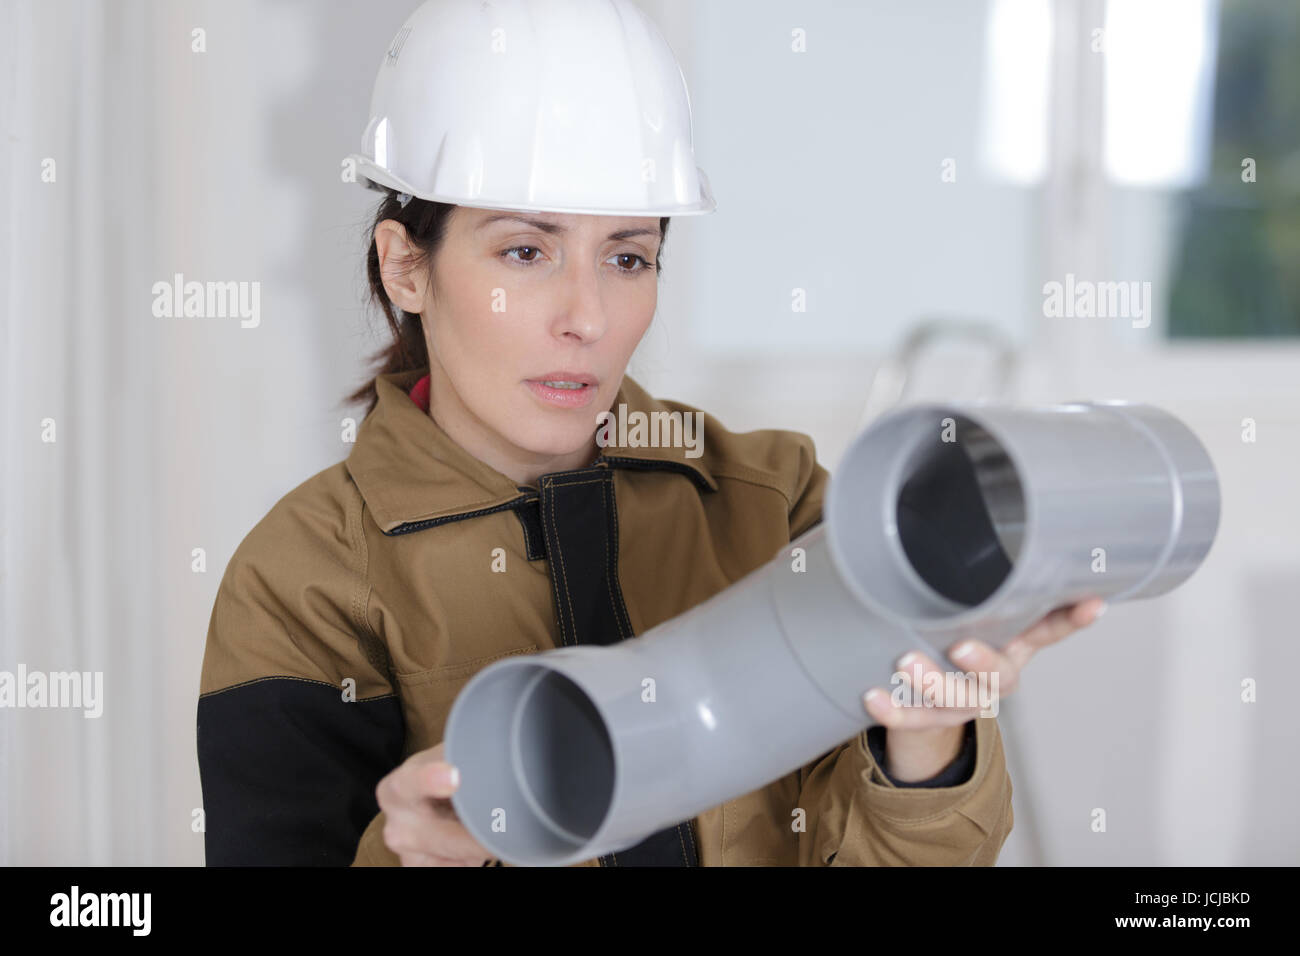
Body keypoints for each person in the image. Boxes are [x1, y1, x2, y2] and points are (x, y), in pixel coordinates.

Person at [196, 0, 1102, 867]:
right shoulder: (305, 579)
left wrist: (926, 739)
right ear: (406, 268)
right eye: (526, 251)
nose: (587, 316)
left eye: (627, 257)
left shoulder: (774, 504)